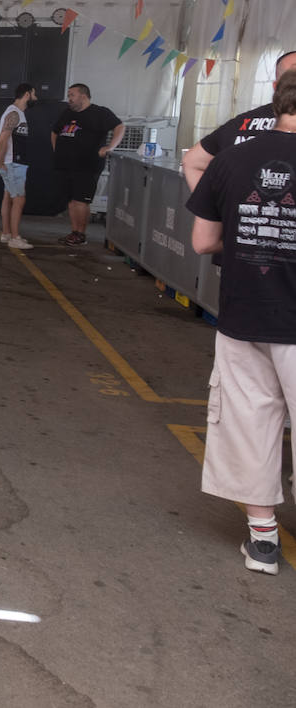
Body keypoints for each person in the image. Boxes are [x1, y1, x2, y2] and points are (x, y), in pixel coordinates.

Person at [186, 69, 296, 575]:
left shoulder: (231, 159)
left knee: (249, 421)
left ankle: (263, 541)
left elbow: (203, 242)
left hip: (244, 312)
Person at [183, 50, 296, 191]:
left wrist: (210, 202)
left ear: (275, 86)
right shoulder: (243, 122)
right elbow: (192, 161)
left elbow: (192, 161)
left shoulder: (243, 122)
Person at [50, 83, 124, 246]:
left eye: (72, 95)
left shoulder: (100, 113)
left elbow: (119, 126)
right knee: (71, 200)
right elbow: (55, 132)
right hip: (65, 164)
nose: (69, 99)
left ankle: (81, 234)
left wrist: (110, 147)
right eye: (69, 95)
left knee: (81, 200)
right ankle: (74, 232)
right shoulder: (67, 113)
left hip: (87, 165)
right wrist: (58, 150)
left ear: (83, 96)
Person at [0, 83, 37, 250]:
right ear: (27, 94)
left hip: (14, 163)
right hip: (13, 163)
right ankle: (15, 238)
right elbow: (3, 140)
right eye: (34, 94)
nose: (36, 98)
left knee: (8, 196)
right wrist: (0, 163)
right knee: (19, 199)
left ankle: (7, 234)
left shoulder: (18, 113)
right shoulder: (13, 113)